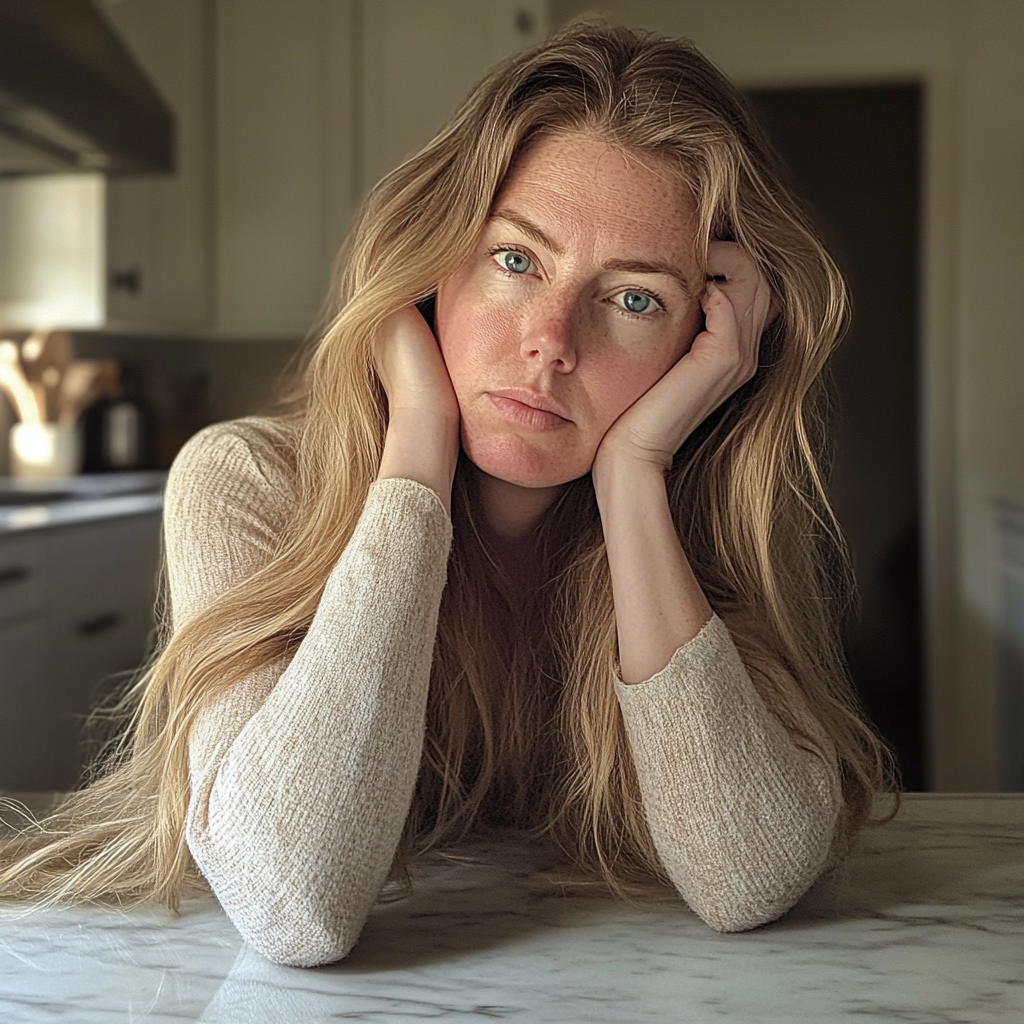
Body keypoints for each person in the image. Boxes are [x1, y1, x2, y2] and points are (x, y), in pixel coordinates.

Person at [0, 23, 893, 967]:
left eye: (635, 299)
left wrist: (636, 478)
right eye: (516, 260)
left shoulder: (698, 518)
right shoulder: (244, 480)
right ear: (432, 269)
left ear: (698, 351)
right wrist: (416, 446)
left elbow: (746, 875)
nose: (552, 339)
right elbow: (292, 904)